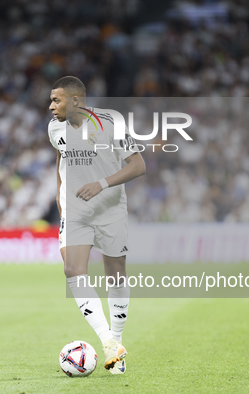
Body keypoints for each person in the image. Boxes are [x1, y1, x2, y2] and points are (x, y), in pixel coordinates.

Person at [48, 76, 146, 374]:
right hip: (77, 211)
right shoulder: (55, 128)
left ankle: (116, 342)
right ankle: (107, 342)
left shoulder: (111, 124)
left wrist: (101, 184)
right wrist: (60, 197)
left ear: (76, 101)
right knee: (72, 269)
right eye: (51, 100)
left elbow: (138, 165)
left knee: (115, 273)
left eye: (57, 100)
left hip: (110, 208)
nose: (51, 106)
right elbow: (61, 160)